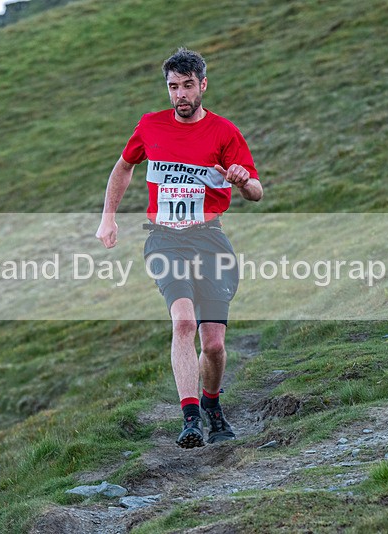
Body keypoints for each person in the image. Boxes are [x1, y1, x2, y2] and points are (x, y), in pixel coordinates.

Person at [96, 47, 263, 448]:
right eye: (174, 87)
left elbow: (257, 191)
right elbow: (124, 166)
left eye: (188, 86)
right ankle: (190, 420)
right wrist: (108, 217)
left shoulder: (224, 132)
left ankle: (212, 406)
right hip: (164, 239)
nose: (181, 95)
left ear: (202, 85)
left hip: (209, 239)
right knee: (184, 322)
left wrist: (242, 181)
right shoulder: (150, 126)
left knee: (214, 344)